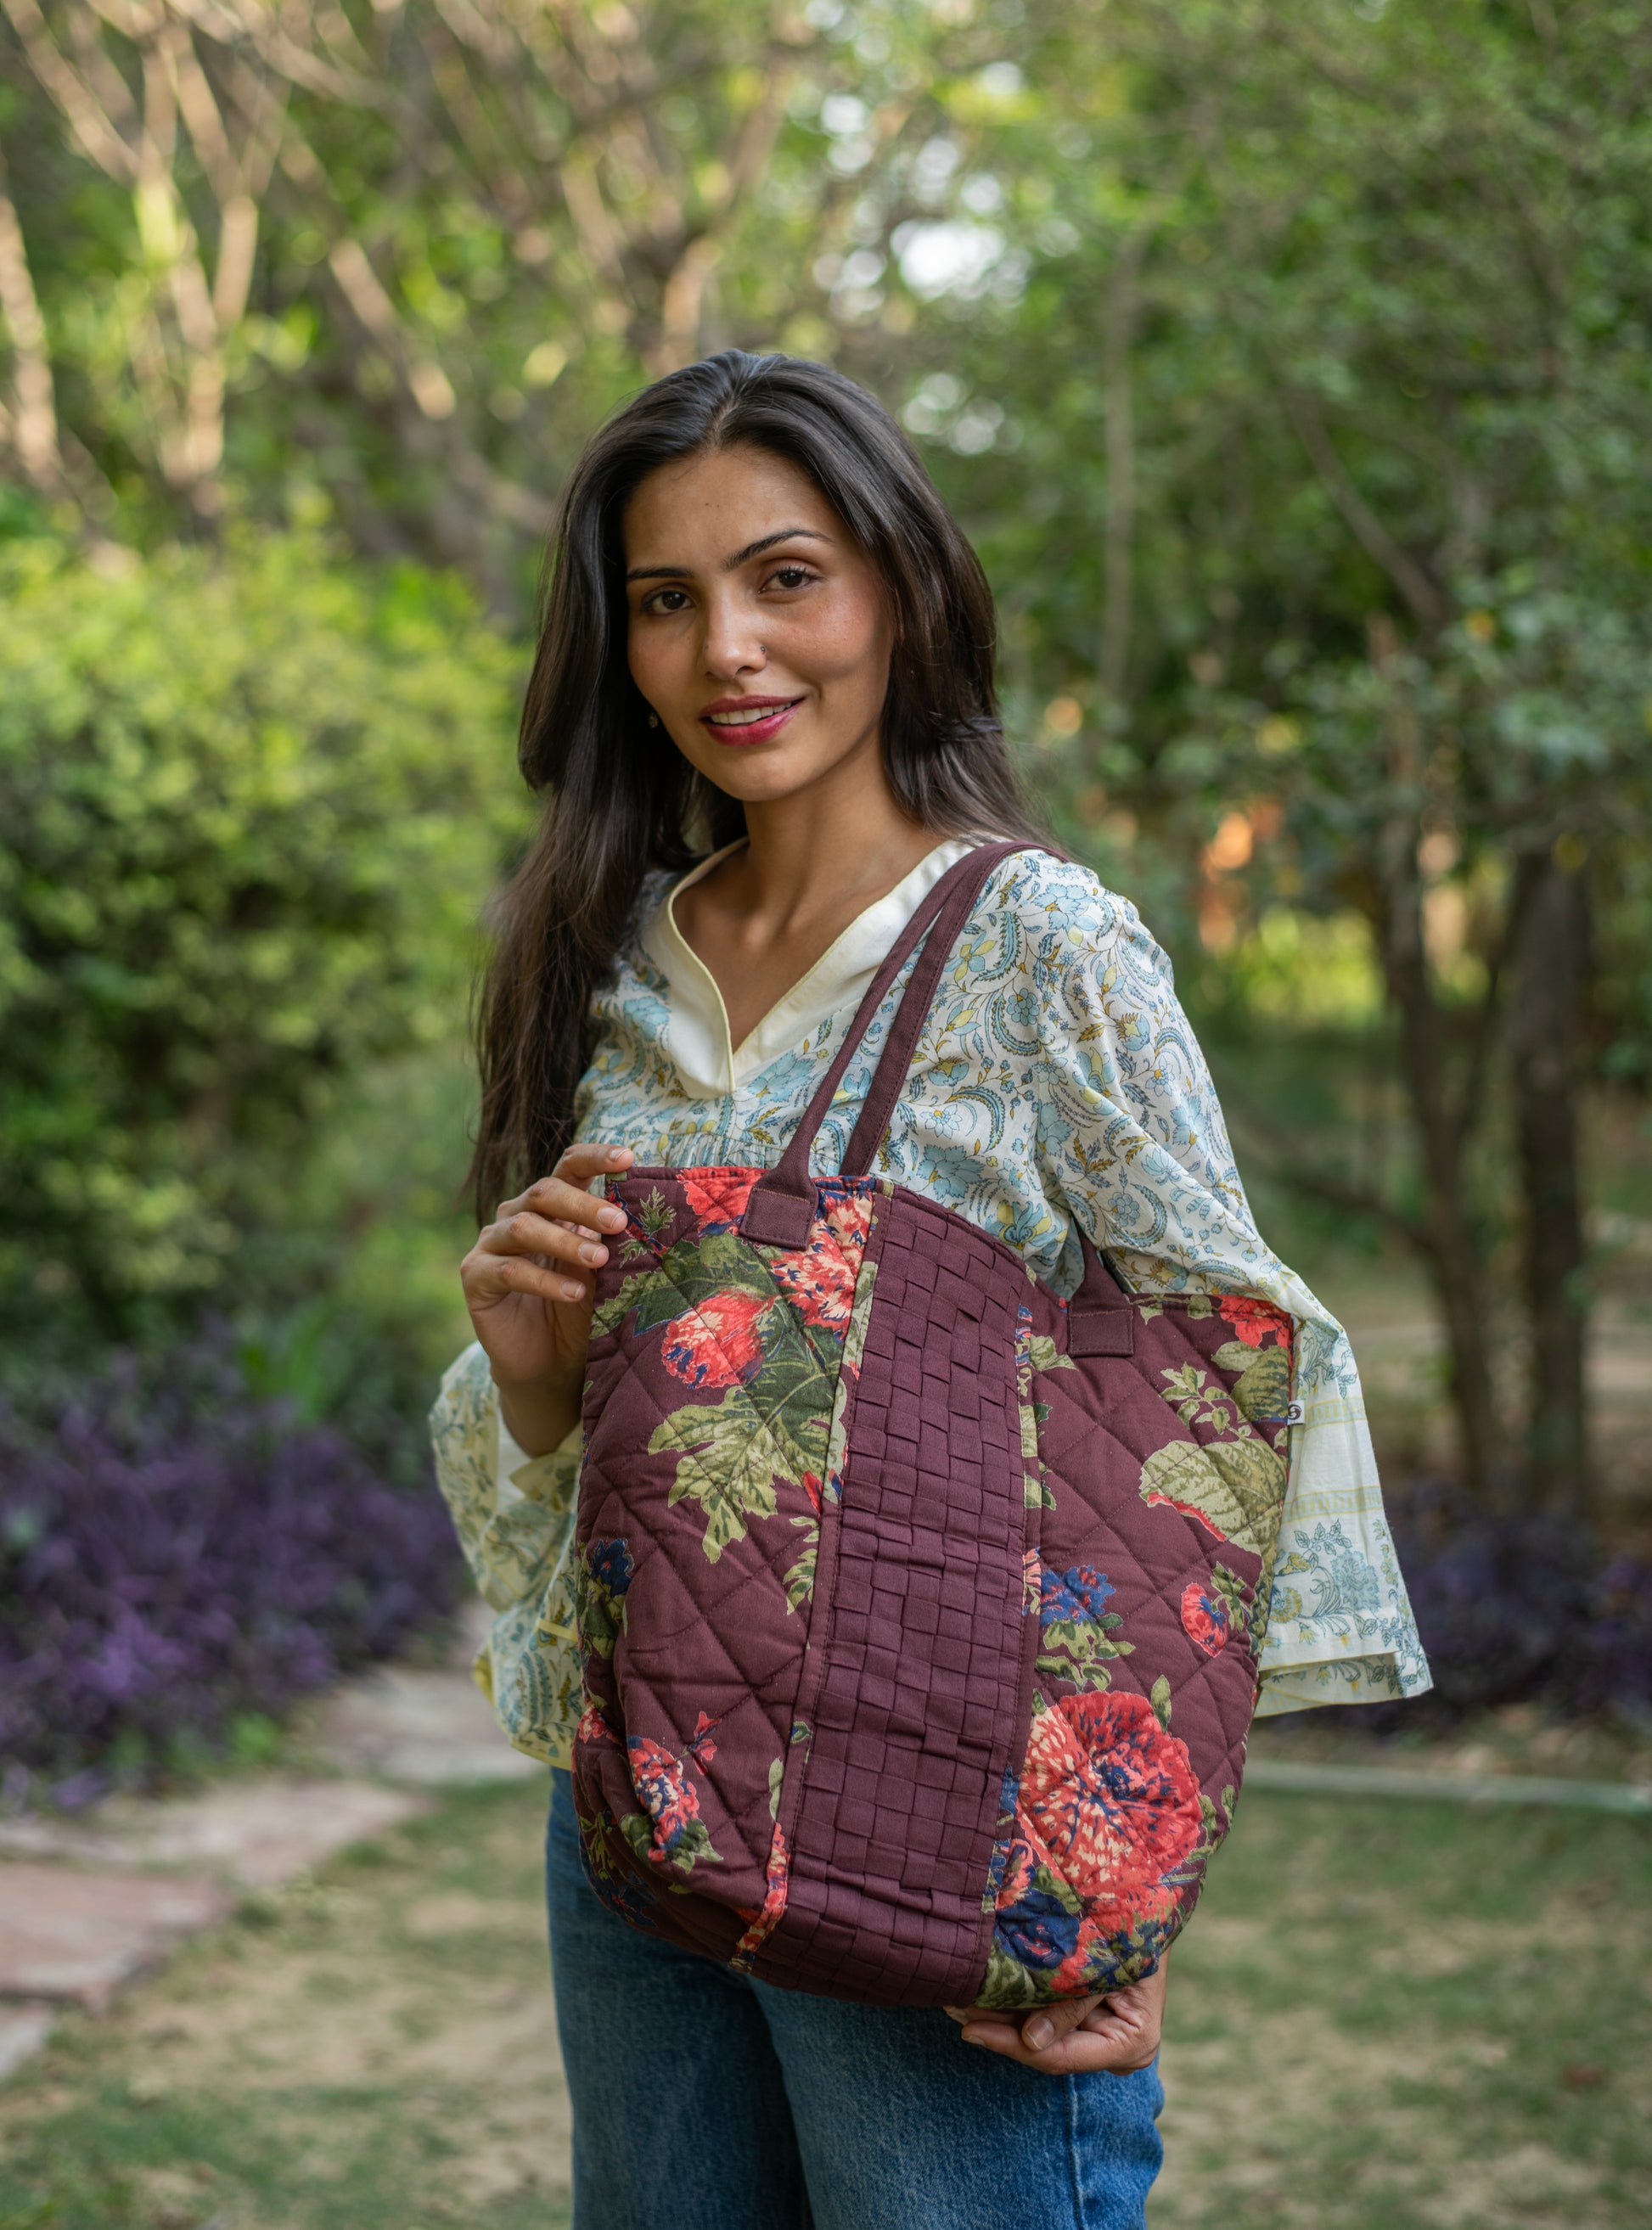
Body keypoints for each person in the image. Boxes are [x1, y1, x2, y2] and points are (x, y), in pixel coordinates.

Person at [431, 351, 1428, 2230]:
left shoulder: (1043, 949)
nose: (728, 648)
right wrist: (534, 1368)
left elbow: (1229, 1390)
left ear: (898, 588)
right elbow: (579, 1476)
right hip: (629, 1828)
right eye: (666, 599)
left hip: (942, 1828)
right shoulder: (602, 961)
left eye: (785, 578)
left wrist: (1123, 1885)